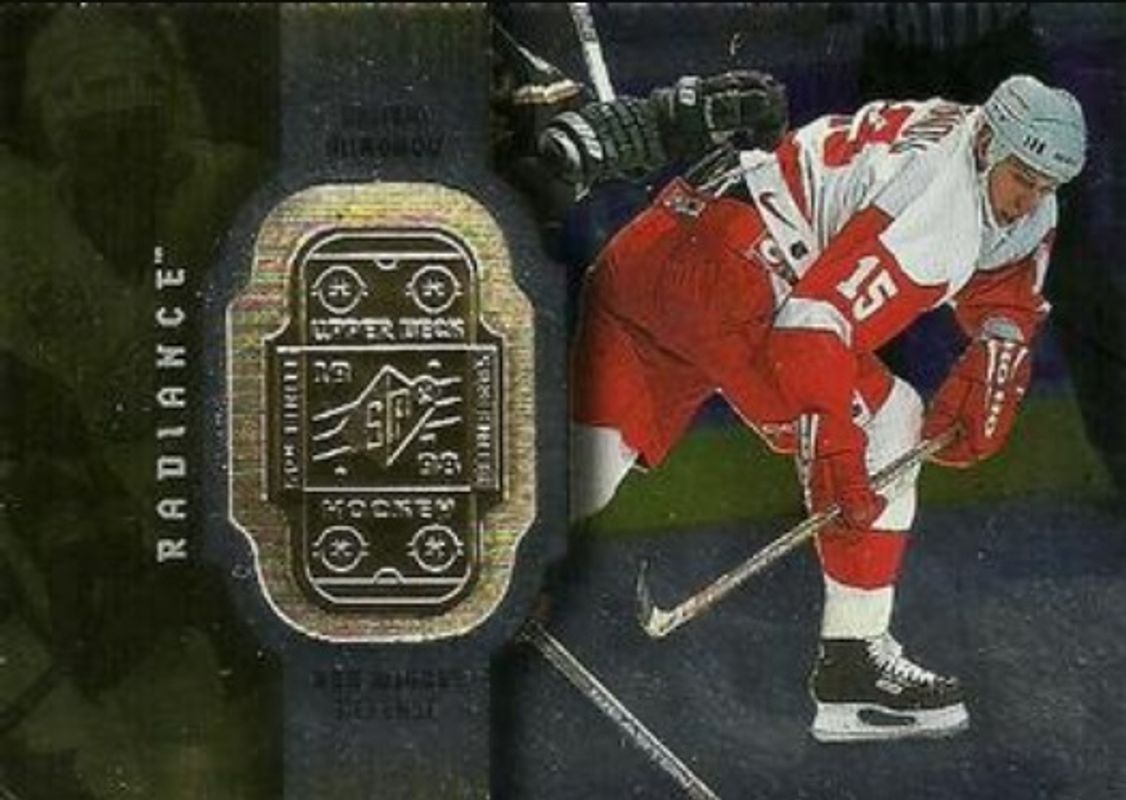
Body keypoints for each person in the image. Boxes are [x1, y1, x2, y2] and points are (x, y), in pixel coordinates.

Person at [563, 74, 1086, 742]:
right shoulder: (938, 200)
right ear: (986, 143)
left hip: (659, 247)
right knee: (890, 420)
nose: (1029, 200)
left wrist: (998, 349)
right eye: (1022, 178)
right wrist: (836, 439)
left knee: (583, 470)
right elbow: (809, 326)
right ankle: (853, 669)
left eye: (1047, 185)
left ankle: (457, 568)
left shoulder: (985, 153)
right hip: (739, 283)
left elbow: (1008, 281)